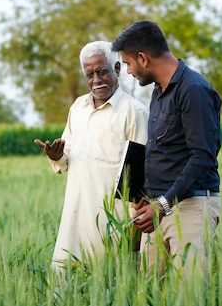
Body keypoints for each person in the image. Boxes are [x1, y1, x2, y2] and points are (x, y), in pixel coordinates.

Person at [111, 20, 221, 278]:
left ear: (143, 58)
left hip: (191, 208)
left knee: (188, 294)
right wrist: (148, 195)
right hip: (160, 209)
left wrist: (161, 205)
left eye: (127, 63)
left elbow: (202, 157)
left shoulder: (194, 89)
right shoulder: (159, 91)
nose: (127, 71)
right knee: (152, 294)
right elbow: (166, 151)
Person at [34, 41, 149, 274]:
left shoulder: (135, 112)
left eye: (102, 71)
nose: (96, 80)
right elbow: (65, 159)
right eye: (89, 74)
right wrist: (56, 157)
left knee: (113, 289)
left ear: (117, 69)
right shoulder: (78, 107)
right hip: (74, 222)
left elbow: (142, 181)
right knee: (69, 287)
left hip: (114, 228)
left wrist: (134, 238)